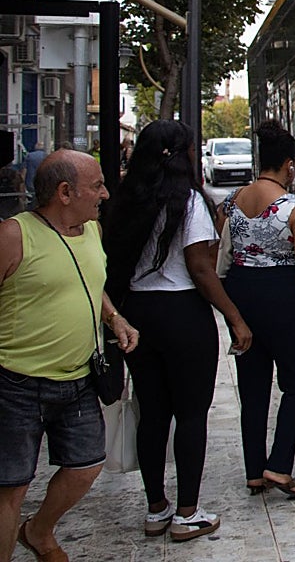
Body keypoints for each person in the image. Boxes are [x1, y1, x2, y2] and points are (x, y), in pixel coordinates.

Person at [102, 120, 253, 543]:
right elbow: (201, 269)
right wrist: (234, 317)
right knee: (190, 415)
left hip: (138, 313)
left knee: (152, 413)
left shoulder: (124, 201)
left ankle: (156, 509)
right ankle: (188, 512)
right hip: (183, 313)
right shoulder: (188, 202)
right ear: (184, 153)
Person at [0, 150, 139, 562]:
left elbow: (89, 285)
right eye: (96, 185)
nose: (105, 193)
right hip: (16, 383)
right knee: (11, 488)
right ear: (64, 192)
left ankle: (39, 531)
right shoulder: (13, 235)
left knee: (86, 464)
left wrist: (114, 319)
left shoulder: (91, 230)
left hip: (78, 379)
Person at [217, 120, 295, 499]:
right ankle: (280, 465)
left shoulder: (232, 201)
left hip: (241, 294)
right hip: (281, 297)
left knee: (252, 390)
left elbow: (226, 252)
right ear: (289, 165)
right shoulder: (294, 207)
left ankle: (255, 472)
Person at [22, 141, 46, 207]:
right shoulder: (47, 156)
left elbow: (24, 170)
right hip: (43, 182)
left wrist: (22, 182)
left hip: (30, 183)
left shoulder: (29, 156)